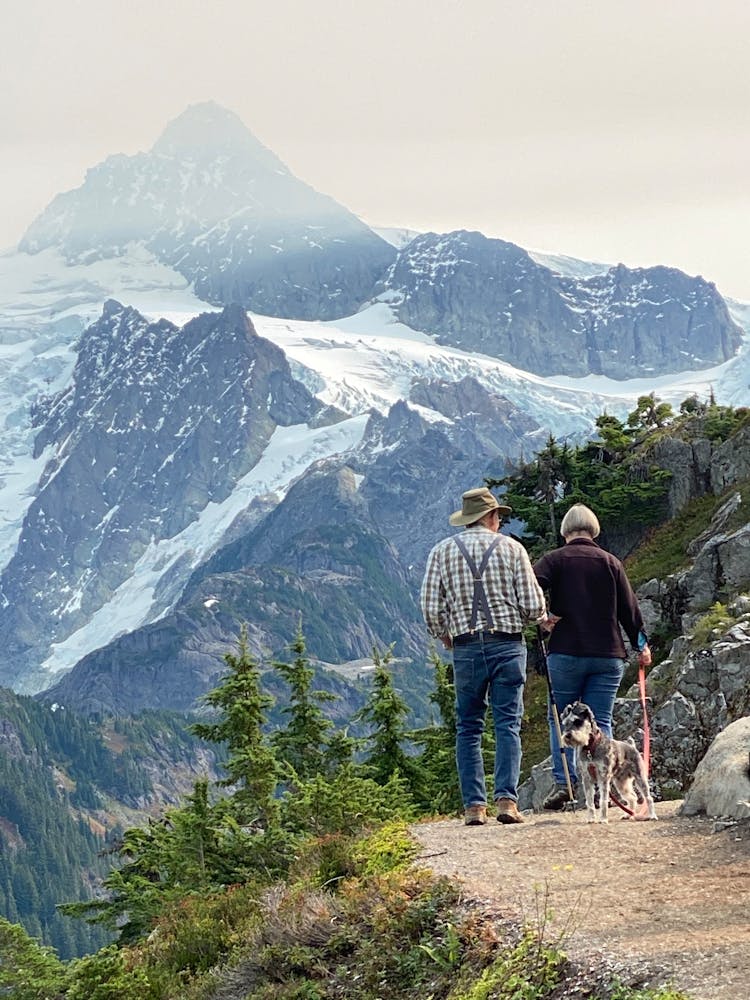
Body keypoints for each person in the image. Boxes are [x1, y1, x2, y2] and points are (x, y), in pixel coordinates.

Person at [420, 487, 546, 826]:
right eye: (498, 517)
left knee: (469, 727)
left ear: (467, 520)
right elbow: (535, 606)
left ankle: (474, 807)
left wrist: (445, 634)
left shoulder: (442, 552)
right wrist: (525, 616)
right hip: (507, 644)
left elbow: (430, 609)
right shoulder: (513, 549)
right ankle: (507, 802)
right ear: (489, 518)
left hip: (466, 649)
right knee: (507, 723)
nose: (500, 522)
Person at [532, 503, 652, 810]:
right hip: (607, 654)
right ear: (593, 529)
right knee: (600, 719)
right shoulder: (611, 562)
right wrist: (641, 645)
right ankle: (606, 787)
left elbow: (530, 589)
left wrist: (543, 616)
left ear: (565, 530)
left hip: (565, 652)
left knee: (561, 720)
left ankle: (566, 784)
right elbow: (629, 608)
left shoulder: (554, 560)